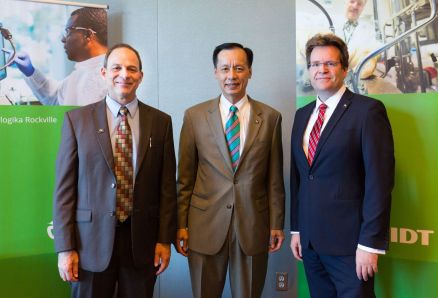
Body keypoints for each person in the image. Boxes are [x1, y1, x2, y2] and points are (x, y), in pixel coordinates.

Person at [53, 43, 177, 298]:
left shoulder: (161, 122)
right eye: (117, 68)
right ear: (103, 73)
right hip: (90, 244)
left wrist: (165, 240)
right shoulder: (76, 121)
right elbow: (64, 192)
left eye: (132, 69)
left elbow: (166, 188)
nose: (124, 74)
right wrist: (65, 249)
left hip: (141, 243)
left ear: (140, 77)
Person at [175, 42, 285, 298]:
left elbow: (274, 178)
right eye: (225, 68)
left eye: (239, 68)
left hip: (253, 225)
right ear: (215, 72)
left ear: (249, 72)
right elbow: (185, 178)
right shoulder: (195, 116)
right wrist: (181, 225)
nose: (231, 75)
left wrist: (276, 223)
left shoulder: (270, 118)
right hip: (204, 226)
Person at [290, 33, 394, 297]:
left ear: (345, 69)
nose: (321, 70)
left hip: (351, 246)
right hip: (311, 243)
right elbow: (299, 178)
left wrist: (370, 245)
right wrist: (297, 229)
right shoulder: (302, 116)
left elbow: (379, 182)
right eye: (315, 64)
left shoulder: (368, 111)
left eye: (330, 64)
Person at [11, 7, 108, 105]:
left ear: (87, 35)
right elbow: (56, 98)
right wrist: (30, 71)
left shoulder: (109, 77)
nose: (63, 39)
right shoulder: (83, 71)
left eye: (68, 31)